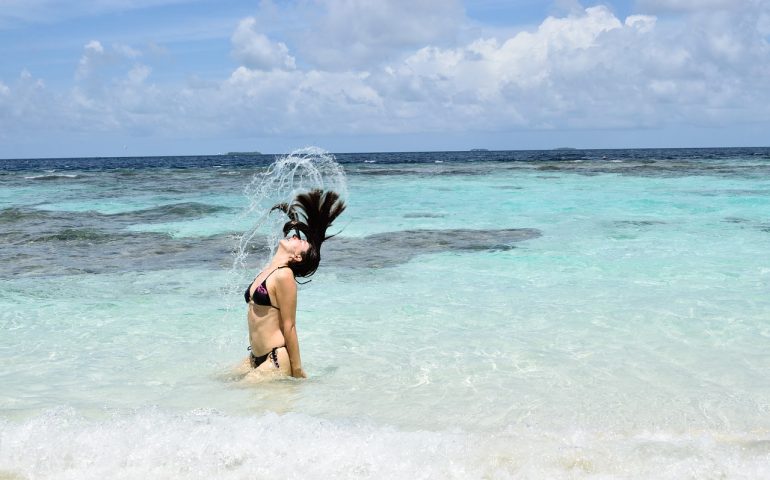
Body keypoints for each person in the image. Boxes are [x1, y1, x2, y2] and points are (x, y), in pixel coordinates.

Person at [241, 189, 345, 379]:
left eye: (301, 242)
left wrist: (297, 371)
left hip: (275, 360)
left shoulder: (285, 275)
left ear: (297, 257)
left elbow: (289, 326)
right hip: (253, 358)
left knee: (234, 398)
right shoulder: (268, 270)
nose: (296, 237)